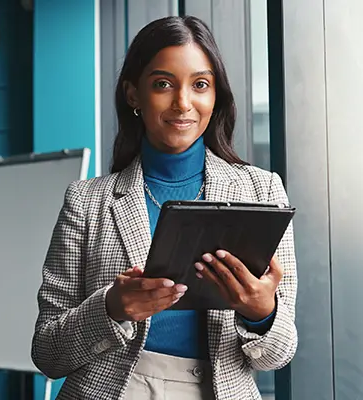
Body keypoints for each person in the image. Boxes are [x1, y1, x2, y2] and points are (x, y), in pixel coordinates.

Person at [31, 15, 297, 400]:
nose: (183, 103)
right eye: (162, 84)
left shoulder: (262, 191)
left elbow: (279, 354)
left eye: (200, 85)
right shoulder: (86, 201)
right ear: (133, 94)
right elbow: (47, 353)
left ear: (215, 95)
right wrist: (111, 307)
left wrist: (261, 312)